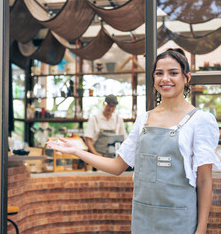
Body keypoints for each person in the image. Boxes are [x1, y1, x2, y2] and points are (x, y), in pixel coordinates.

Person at [47, 48, 221, 234]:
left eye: (173, 73)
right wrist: (76, 151)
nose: (165, 79)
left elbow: (204, 180)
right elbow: (116, 166)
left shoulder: (200, 120)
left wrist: (201, 229)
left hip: (180, 219)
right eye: (159, 73)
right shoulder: (143, 120)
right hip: (143, 217)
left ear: (186, 78)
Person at [84, 94, 127, 158]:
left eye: (113, 106)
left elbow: (124, 138)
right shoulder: (94, 119)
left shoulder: (118, 119)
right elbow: (88, 140)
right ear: (104, 104)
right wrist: (96, 155)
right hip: (98, 156)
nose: (110, 109)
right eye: (109, 106)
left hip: (114, 157)